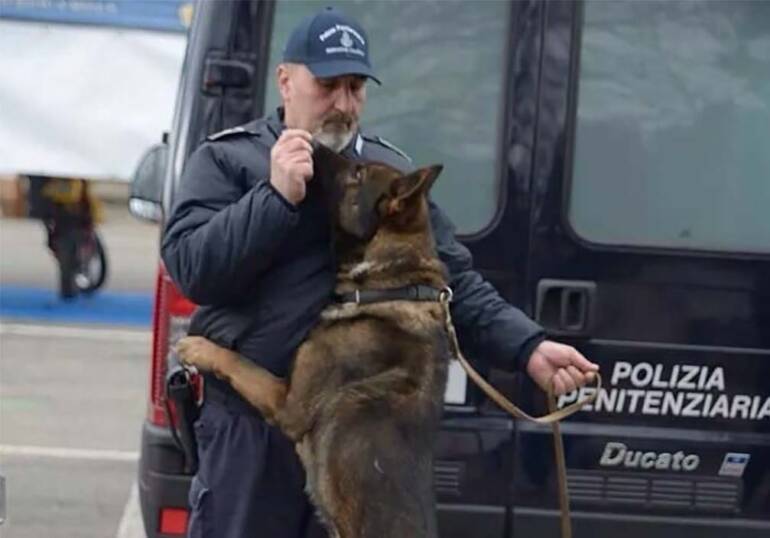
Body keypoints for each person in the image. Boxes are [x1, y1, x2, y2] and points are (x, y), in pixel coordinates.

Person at [161, 7, 599, 538]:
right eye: (328, 85)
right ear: (286, 81)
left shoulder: (385, 176)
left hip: (354, 448)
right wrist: (273, 197)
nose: (343, 104)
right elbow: (192, 271)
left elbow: (451, 280)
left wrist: (527, 347)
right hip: (250, 437)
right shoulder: (231, 160)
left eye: (355, 87)